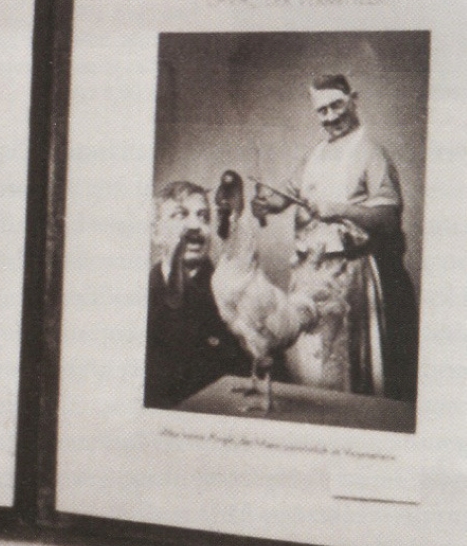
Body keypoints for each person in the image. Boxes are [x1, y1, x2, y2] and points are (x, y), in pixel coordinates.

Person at [250, 74, 418, 401]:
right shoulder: (315, 153)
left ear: (354, 99)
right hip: (307, 274)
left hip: (349, 279)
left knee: (344, 376)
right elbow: (288, 192)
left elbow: (388, 218)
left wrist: (339, 209)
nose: (329, 117)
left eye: (336, 105)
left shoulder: (371, 153)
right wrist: (267, 204)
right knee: (305, 366)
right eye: (321, 111)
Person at [144, 180, 251, 408]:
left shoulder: (238, 296)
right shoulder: (136, 300)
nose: (195, 226)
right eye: (180, 215)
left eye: (203, 217)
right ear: (156, 233)